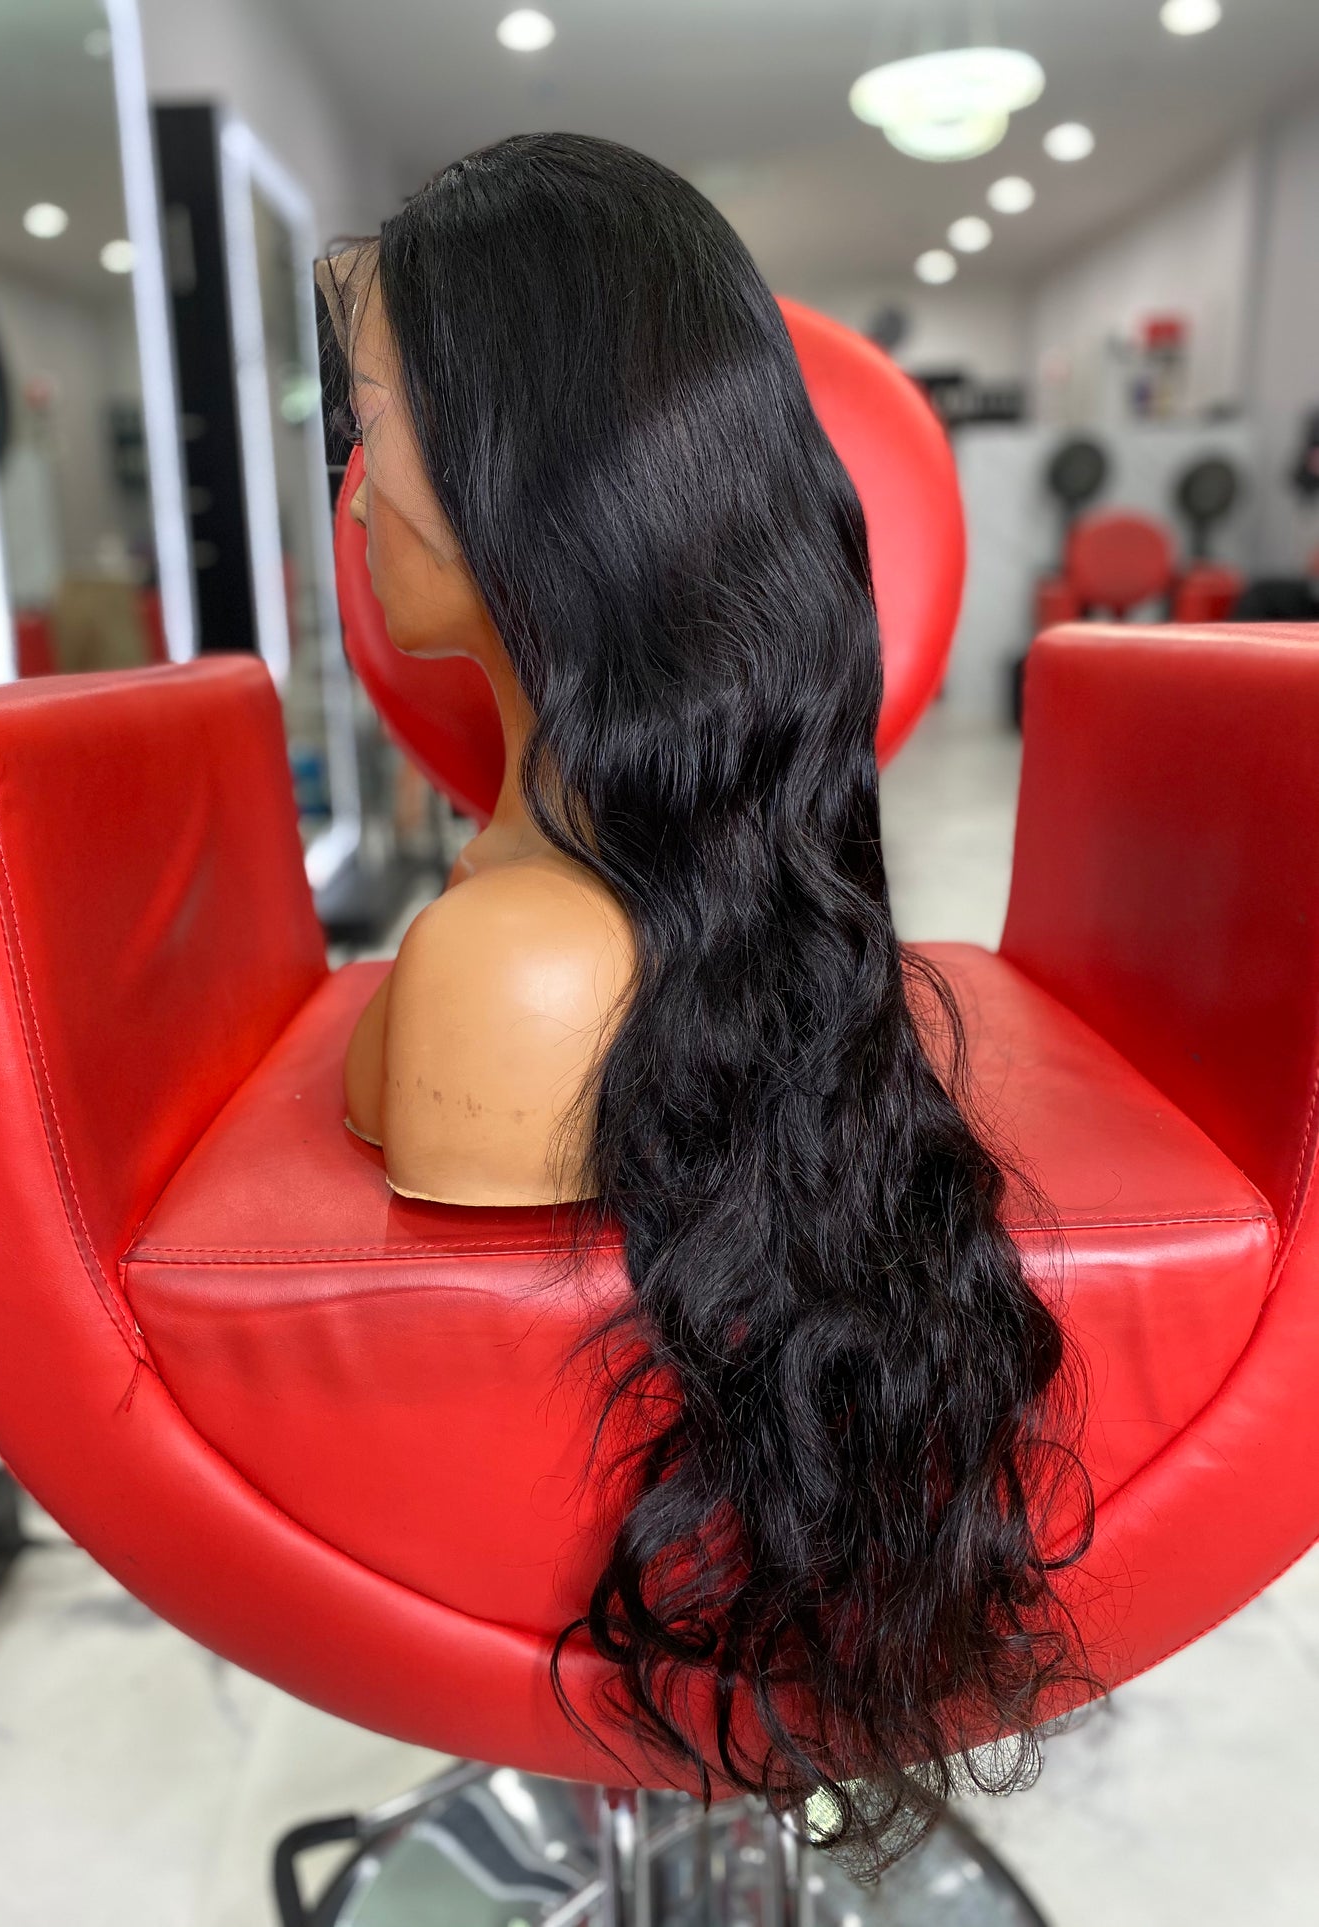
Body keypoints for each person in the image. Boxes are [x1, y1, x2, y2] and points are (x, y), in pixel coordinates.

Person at [320, 131, 1091, 1869]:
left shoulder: (522, 970)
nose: (356, 493)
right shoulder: (584, 893)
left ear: (537, 475)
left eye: (374, 422)